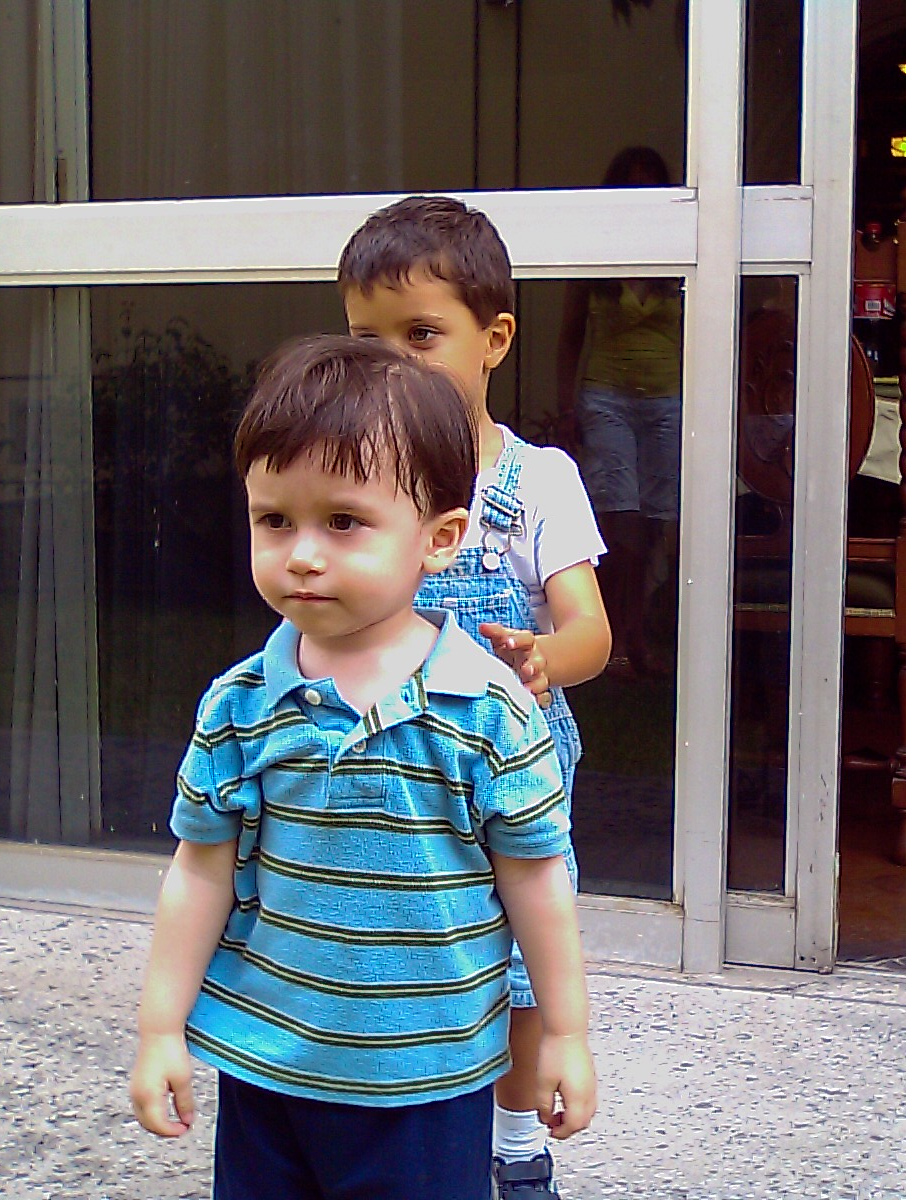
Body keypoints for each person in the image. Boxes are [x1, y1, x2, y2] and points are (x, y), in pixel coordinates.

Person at [128, 335, 597, 1200]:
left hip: (430, 1081)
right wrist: (161, 1027)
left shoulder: (489, 712)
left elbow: (537, 881)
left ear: (440, 539)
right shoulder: (240, 705)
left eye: (343, 522)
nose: (303, 553)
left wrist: (565, 1032)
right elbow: (199, 871)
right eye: (275, 520)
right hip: (267, 1067)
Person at [338, 195, 612, 1199]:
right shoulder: (356, 476)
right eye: (367, 340)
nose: (393, 364)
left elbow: (591, 631)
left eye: (421, 336)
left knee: (523, 966)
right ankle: (410, 1119)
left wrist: (545, 656)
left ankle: (516, 1141)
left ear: (493, 340)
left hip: (512, 767)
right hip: (396, 766)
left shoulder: (536, 482)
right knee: (411, 952)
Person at [555, 145, 683, 680]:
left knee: (654, 524)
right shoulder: (597, 256)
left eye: (650, 188)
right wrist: (566, 408)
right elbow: (570, 337)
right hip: (607, 398)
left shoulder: (681, 248)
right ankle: (610, 640)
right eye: (631, 188)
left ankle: (636, 635)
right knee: (619, 522)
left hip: (668, 400)